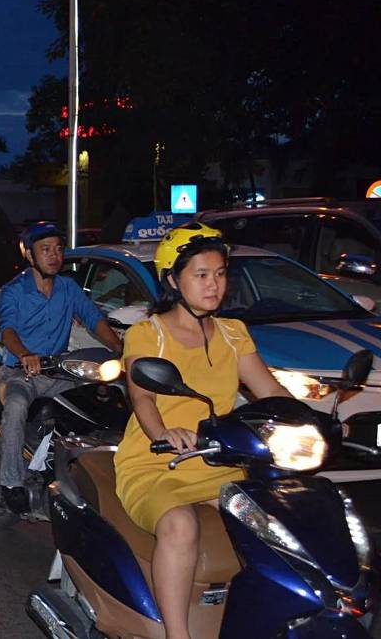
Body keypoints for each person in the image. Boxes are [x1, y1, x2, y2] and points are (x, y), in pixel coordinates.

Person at [114, 223, 290, 639]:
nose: (214, 285)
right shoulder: (148, 334)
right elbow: (142, 397)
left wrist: (313, 420)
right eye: (202, 275)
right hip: (157, 463)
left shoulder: (233, 334)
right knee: (180, 525)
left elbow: (270, 392)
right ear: (173, 281)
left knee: (278, 522)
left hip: (219, 460)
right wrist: (163, 432)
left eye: (221, 273)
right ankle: (178, 634)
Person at [0, 222, 123, 514]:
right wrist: (25, 354)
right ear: (30, 255)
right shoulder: (15, 290)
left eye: (58, 249)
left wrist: (121, 349)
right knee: (15, 406)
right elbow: (7, 330)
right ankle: (11, 483)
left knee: (100, 400)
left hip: (57, 372)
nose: (54, 256)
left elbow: (94, 319)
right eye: (45, 250)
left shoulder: (68, 287)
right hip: (20, 373)